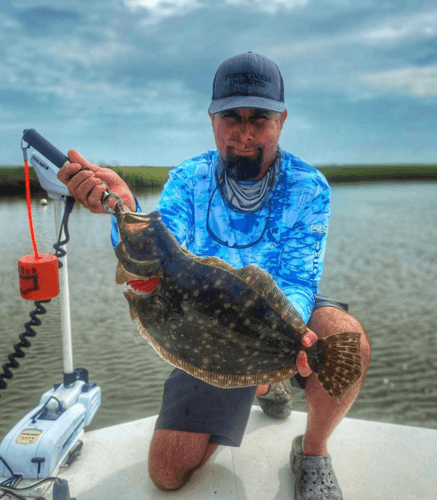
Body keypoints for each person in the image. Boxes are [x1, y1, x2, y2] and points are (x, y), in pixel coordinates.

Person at [58, 52, 371, 500]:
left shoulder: (309, 187)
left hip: (281, 318)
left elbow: (300, 280)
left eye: (258, 119)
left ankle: (314, 450)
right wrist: (122, 206)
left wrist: (287, 338)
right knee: (166, 473)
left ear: (281, 120)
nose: (244, 133)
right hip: (210, 324)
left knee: (347, 343)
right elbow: (158, 258)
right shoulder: (189, 178)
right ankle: (264, 387)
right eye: (232, 118)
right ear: (212, 121)